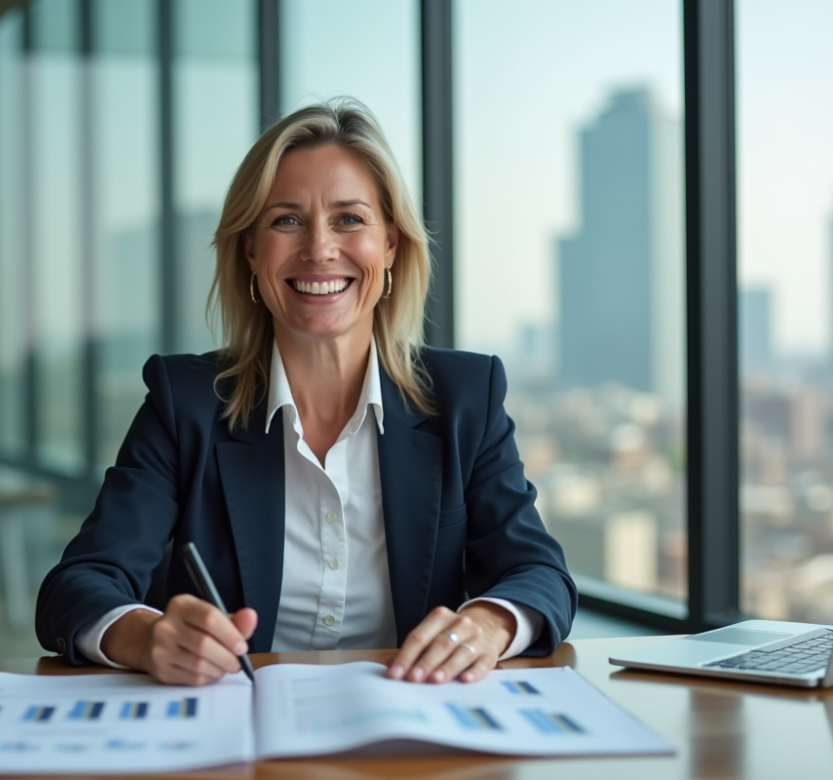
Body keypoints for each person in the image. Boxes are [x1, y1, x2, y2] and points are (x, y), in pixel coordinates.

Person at [36, 98, 575, 686]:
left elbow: (539, 572)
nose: (319, 248)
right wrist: (147, 634)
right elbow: (78, 585)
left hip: (414, 735)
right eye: (286, 220)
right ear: (249, 250)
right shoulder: (183, 401)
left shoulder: (465, 397)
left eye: (349, 219)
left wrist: (490, 622)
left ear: (391, 245)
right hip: (238, 735)